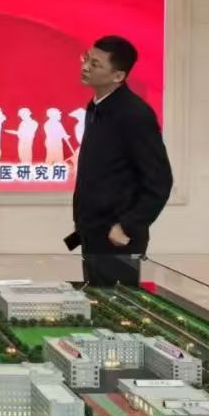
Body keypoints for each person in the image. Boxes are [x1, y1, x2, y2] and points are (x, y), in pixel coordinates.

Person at [66, 35, 173, 287]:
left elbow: (159, 180)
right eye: (86, 59)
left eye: (95, 64)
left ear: (118, 76)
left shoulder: (134, 114)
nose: (85, 67)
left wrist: (127, 225)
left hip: (116, 235)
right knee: (95, 298)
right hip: (92, 230)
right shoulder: (96, 107)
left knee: (116, 303)